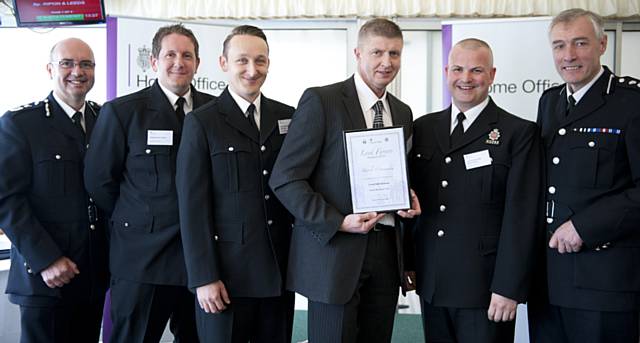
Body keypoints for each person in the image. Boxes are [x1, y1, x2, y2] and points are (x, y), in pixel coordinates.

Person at [269, 18, 420, 343]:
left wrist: (407, 197)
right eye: (377, 52)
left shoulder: (403, 112)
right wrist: (337, 221)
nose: (386, 62)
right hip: (335, 253)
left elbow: (394, 173)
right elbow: (285, 179)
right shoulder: (322, 101)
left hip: (385, 252)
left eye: (394, 53)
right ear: (358, 53)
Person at [84, 24, 214, 342]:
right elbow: (99, 181)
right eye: (170, 54)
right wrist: (140, 215)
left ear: (198, 63)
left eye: (187, 55)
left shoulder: (216, 111)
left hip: (201, 263)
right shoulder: (124, 112)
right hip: (142, 261)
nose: (178, 62)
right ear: (154, 62)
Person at [408, 38, 543, 343]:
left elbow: (522, 216)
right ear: (446, 71)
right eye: (458, 69)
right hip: (433, 283)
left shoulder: (517, 133)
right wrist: (408, 264)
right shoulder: (423, 128)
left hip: (485, 288)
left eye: (476, 70)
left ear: (492, 75)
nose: (465, 79)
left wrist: (508, 286)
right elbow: (416, 204)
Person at [176, 25, 295, 343]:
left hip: (279, 275)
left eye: (261, 60)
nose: (252, 70)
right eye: (242, 60)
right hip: (226, 280)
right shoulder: (202, 121)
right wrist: (204, 277)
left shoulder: (289, 117)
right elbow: (192, 207)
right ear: (224, 63)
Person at [527, 8, 640, 343]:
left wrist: (584, 226)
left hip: (604, 282)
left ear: (602, 44)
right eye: (559, 46)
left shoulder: (631, 104)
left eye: (580, 43)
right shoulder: (550, 102)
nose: (569, 55)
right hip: (548, 279)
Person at [0, 38, 108, 343]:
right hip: (44, 279)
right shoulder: (22, 124)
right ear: (50, 69)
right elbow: (6, 198)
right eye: (67, 63)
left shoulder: (106, 121)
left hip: (91, 276)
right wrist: (46, 259)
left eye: (86, 64)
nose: (78, 71)